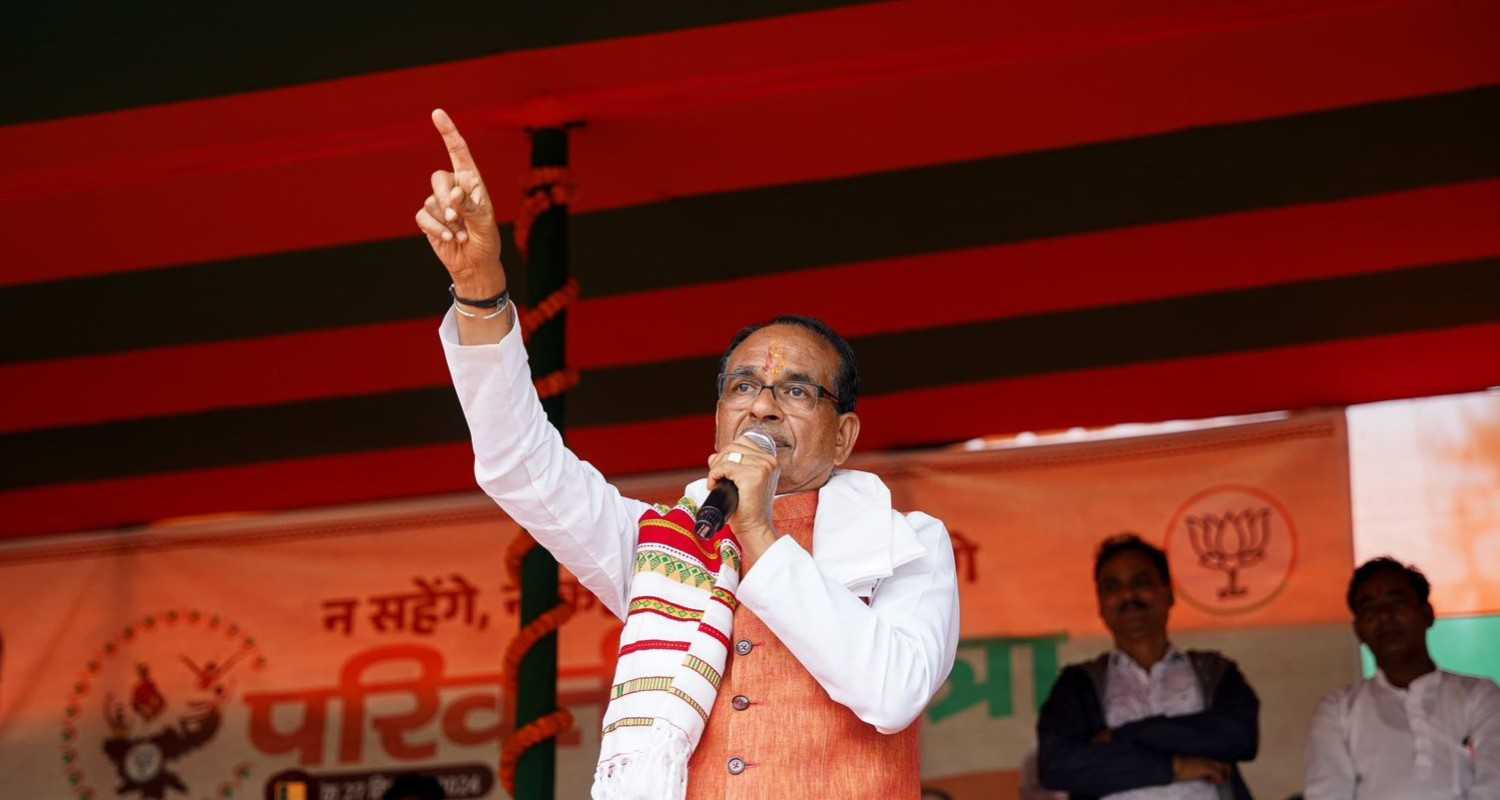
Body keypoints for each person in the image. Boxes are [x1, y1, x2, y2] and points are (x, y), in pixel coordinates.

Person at [414, 109, 959, 798]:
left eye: (795, 389)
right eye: (742, 386)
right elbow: (521, 468)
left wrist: (759, 532)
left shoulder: (906, 546)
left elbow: (892, 691)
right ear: (718, 417)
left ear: (844, 434)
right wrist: (481, 291)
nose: (761, 405)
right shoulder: (665, 548)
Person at [1037, 534, 1259, 799]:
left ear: (1168, 593)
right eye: (1112, 587)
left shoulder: (1214, 671)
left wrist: (1130, 735)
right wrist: (1174, 768)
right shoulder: (1077, 684)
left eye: (1140, 583)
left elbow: (1238, 737)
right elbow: (1059, 766)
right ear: (1100, 605)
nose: (1128, 595)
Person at [1303, 557, 1500, 799]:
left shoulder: (1480, 696)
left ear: (1427, 614)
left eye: (1397, 601)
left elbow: (1495, 784)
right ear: (1358, 631)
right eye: (1369, 607)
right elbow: (1327, 793)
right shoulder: (1339, 710)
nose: (1384, 615)